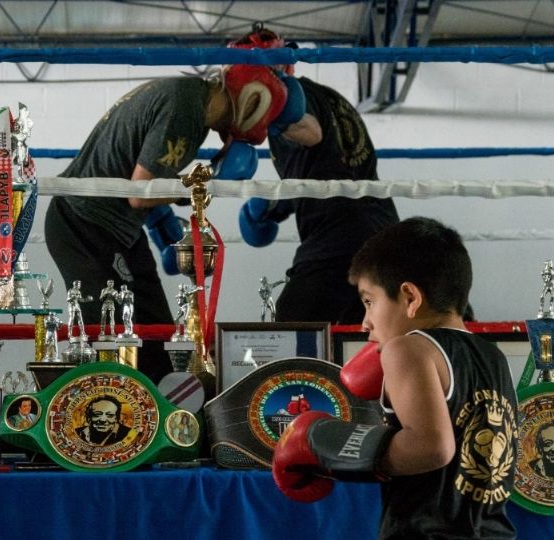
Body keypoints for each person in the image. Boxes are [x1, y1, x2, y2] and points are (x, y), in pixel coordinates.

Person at [272, 217, 518, 539]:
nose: (365, 323)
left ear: (410, 298)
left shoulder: (406, 349)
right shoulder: (492, 356)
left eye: (369, 302)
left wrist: (322, 444)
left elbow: (432, 447)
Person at [44, 65, 289, 383]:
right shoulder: (185, 109)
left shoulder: (186, 98)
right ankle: (108, 421)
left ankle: (163, 422)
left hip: (116, 228)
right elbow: (142, 193)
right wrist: (205, 183)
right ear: (251, 102)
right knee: (108, 336)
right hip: (85, 222)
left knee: (156, 331)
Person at [232, 25, 399, 325]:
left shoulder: (290, 102)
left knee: (291, 327)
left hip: (335, 239)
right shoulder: (330, 97)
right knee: (361, 332)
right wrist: (274, 207)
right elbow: (328, 166)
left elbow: (312, 133)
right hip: (385, 230)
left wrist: (270, 105)